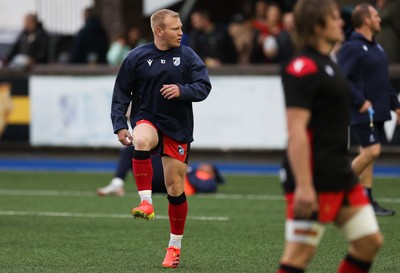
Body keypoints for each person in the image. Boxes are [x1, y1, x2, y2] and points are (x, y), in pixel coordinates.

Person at [277, 1, 383, 272]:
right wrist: (303, 184)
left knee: (369, 242)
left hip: (339, 172)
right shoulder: (302, 67)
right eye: (335, 18)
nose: (341, 23)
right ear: (317, 25)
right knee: (298, 258)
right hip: (315, 176)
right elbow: (296, 129)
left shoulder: (329, 63)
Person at [110, 9, 211, 268]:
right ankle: (145, 203)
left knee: (175, 188)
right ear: (159, 31)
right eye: (176, 28)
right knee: (140, 140)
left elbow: (204, 86)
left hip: (178, 127)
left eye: (181, 27)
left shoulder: (188, 56)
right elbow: (121, 92)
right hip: (148, 118)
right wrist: (120, 124)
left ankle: (174, 247)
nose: (181, 32)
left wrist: (182, 90)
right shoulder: (136, 57)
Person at [337, 3, 400, 216]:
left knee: (369, 154)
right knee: (373, 151)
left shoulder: (377, 47)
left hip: (377, 111)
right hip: (362, 111)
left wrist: (396, 107)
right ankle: (338, 190)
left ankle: (367, 199)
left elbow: (383, 81)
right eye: (375, 16)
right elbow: (342, 78)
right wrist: (360, 101)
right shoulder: (352, 47)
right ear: (366, 20)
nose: (379, 19)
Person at [96, 146, 225, 196]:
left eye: (209, 166)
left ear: (212, 173)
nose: (205, 164)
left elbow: (210, 186)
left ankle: (117, 183)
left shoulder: (203, 176)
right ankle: (117, 184)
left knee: (132, 151)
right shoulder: (195, 171)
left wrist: (188, 171)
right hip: (163, 182)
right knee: (137, 150)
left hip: (167, 182)